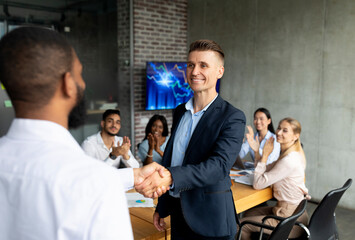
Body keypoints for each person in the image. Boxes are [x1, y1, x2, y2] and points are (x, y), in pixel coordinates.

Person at [0, 26, 168, 240]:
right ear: (67, 84)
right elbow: (84, 184)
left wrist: (132, 176)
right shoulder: (96, 183)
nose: (84, 83)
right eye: (80, 74)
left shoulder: (93, 181)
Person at [136, 39, 246, 239]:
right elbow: (174, 160)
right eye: (191, 65)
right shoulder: (180, 111)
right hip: (179, 216)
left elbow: (218, 166)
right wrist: (163, 206)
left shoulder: (232, 117)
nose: (195, 71)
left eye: (204, 65)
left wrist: (170, 176)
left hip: (211, 221)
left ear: (219, 71)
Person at [240, 117, 310, 239]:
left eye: (285, 130)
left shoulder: (289, 160)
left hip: (289, 220)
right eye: (278, 128)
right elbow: (266, 168)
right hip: (290, 211)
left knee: (241, 225)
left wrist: (265, 155)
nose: (278, 132)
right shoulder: (291, 154)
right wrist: (257, 152)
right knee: (249, 213)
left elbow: (258, 184)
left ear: (295, 136)